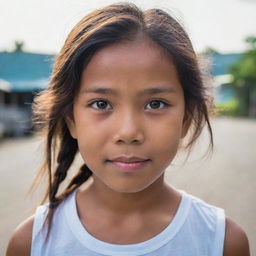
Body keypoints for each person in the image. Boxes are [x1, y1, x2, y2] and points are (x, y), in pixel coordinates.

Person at [6, 2, 250, 256]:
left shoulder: (221, 242)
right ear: (71, 119)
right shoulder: (31, 244)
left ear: (186, 118)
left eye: (155, 104)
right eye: (101, 104)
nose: (128, 132)